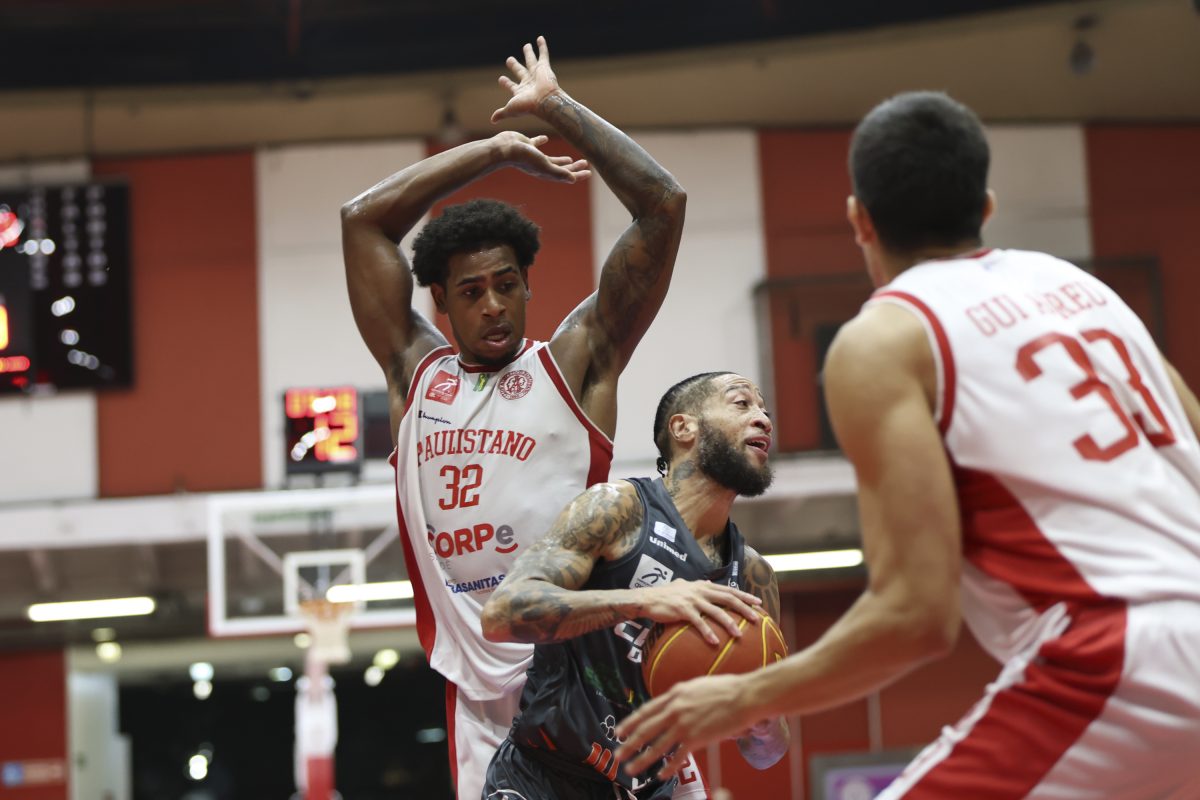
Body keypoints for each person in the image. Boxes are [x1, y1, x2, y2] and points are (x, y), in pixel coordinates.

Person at [616, 91, 1200, 798]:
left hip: (1119, 655)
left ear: (859, 218)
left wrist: (741, 695)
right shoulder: (1085, 291)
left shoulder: (886, 336)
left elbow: (916, 618)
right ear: (986, 207)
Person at [340, 36, 690, 800]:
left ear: (528, 284)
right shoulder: (416, 373)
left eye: (507, 284)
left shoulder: (575, 362)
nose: (494, 304)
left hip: (588, 672)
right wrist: (494, 149)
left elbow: (663, 206)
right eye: (472, 292)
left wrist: (557, 111)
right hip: (480, 702)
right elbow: (362, 221)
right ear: (442, 301)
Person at [479, 371, 790, 798]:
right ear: (683, 428)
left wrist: (761, 718)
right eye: (742, 404)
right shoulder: (618, 509)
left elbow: (765, 754)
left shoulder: (752, 575)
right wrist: (641, 601)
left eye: (765, 410)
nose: (763, 419)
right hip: (543, 778)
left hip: (644, 789)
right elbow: (500, 615)